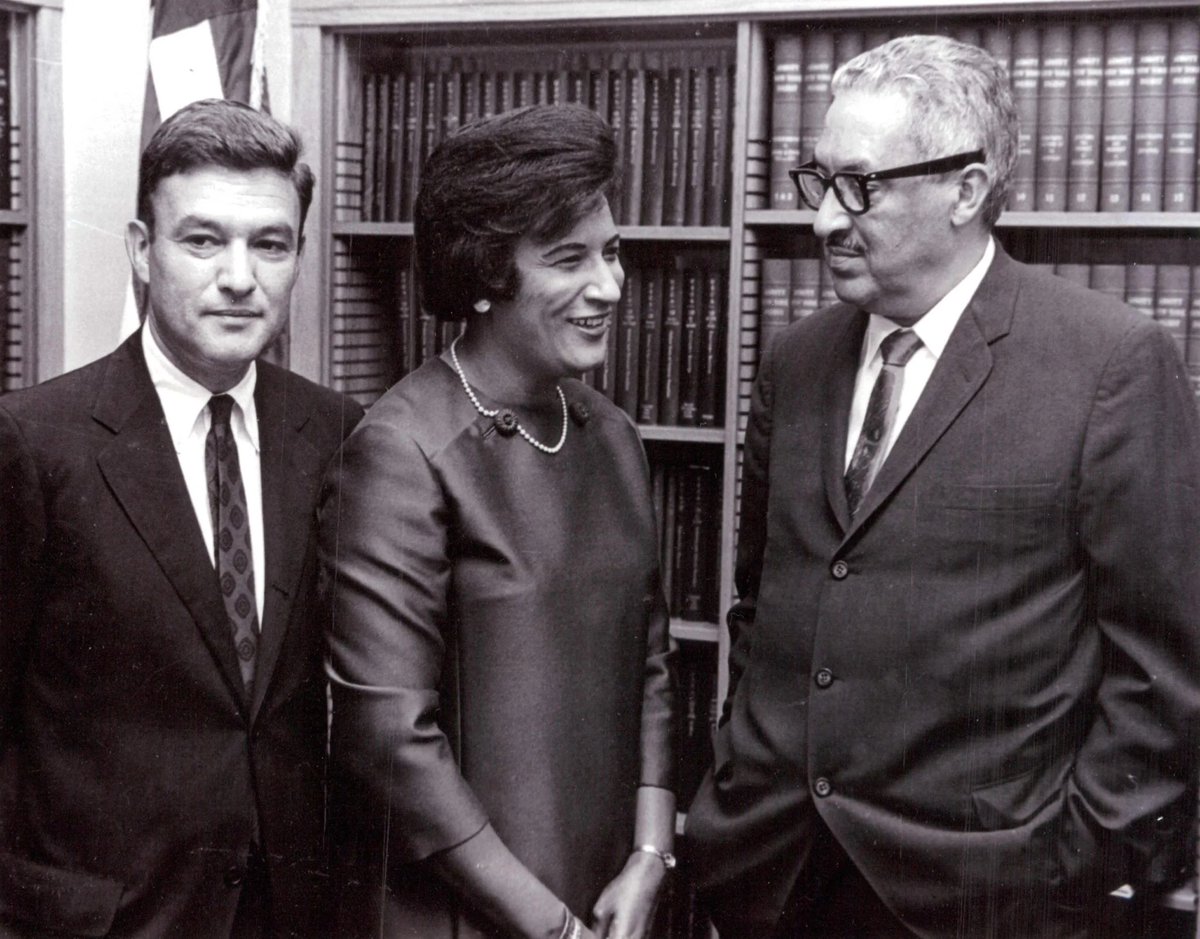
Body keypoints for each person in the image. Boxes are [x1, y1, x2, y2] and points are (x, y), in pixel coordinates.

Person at [685, 34, 1200, 938]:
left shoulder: (1109, 363)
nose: (823, 221)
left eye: (862, 185)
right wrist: (737, 777)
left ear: (967, 189)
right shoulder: (797, 358)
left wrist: (1071, 863)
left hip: (983, 894)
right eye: (819, 181)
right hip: (774, 873)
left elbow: (1164, 668)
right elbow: (763, 602)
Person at [0, 99, 363, 937]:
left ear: (300, 255)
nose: (240, 276)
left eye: (270, 243)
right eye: (203, 240)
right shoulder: (33, 442)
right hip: (105, 920)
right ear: (140, 250)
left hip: (292, 914)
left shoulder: (340, 434)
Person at [318, 104, 676, 939]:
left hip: (608, 894)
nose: (610, 287)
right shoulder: (402, 450)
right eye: (569, 260)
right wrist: (548, 926)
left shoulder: (612, 436)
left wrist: (651, 854)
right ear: (483, 275)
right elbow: (391, 742)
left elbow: (650, 661)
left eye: (612, 253)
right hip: (464, 913)